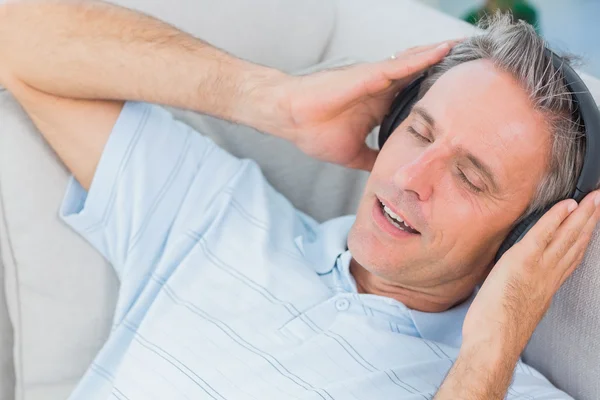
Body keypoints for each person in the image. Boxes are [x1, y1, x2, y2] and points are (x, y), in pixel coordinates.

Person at [0, 1, 598, 399]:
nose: (412, 175)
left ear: (528, 237)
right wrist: (273, 103)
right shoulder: (217, 215)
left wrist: (489, 355)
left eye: (470, 176)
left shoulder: (497, 384)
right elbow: (16, 33)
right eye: (419, 130)